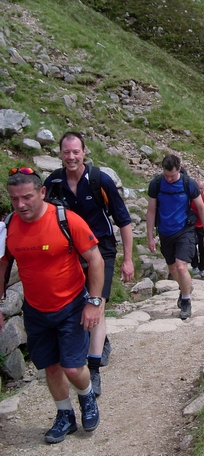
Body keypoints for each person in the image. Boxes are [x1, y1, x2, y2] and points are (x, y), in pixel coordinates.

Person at [0, 167, 103, 443]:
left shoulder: (66, 220)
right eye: (14, 199)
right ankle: (65, 415)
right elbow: (2, 266)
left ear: (42, 192)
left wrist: (94, 302)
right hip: (35, 310)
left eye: (27, 197)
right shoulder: (8, 226)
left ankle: (87, 397)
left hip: (71, 305)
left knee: (72, 367)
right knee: (51, 366)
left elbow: (96, 260)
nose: (21, 205)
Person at [43, 131, 134, 397]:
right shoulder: (53, 182)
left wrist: (127, 259)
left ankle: (93, 369)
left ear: (84, 152)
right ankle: (98, 342)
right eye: (66, 152)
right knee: (79, 303)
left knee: (97, 303)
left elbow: (124, 221)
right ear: (60, 154)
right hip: (69, 251)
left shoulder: (99, 181)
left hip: (101, 248)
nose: (71, 157)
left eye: (76, 152)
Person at [146, 155, 204, 320]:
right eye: (166, 175)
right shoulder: (157, 184)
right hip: (165, 232)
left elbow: (202, 208)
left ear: (179, 169)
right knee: (173, 269)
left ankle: (186, 301)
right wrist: (150, 237)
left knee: (181, 267)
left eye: (172, 176)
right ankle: (185, 287)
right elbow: (151, 210)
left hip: (185, 230)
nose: (169, 179)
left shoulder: (189, 184)